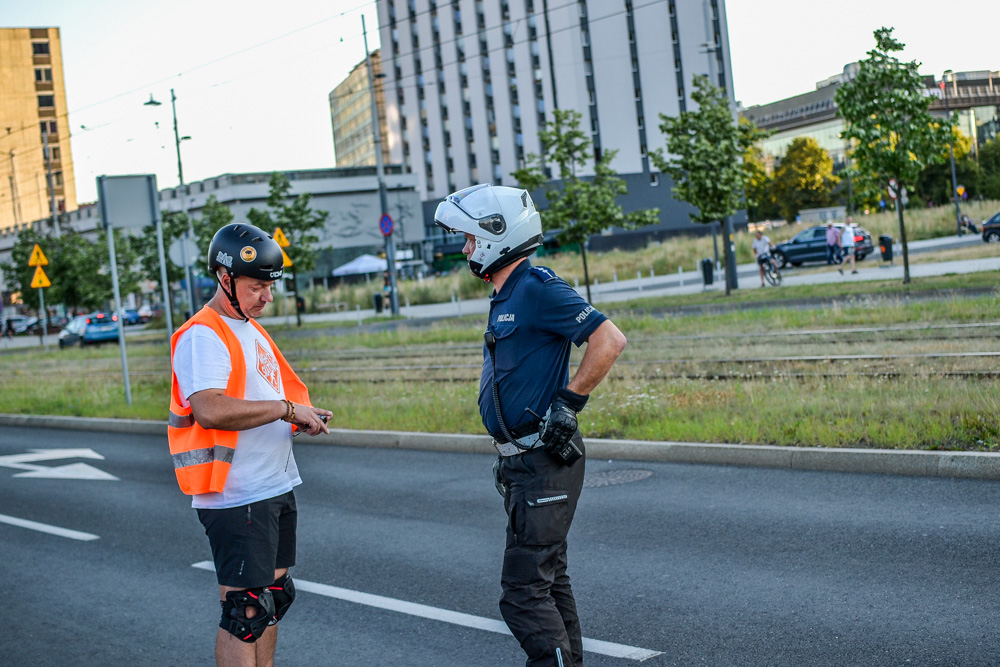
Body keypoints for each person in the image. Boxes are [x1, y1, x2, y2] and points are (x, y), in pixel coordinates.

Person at [434, 184, 626, 667]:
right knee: (549, 580)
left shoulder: (536, 287)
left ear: (497, 233)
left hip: (546, 459)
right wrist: (508, 451)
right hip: (525, 463)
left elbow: (608, 339)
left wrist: (570, 402)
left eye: (470, 239)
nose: (465, 250)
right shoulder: (507, 295)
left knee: (521, 593)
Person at [169, 222, 332, 666]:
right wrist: (285, 410)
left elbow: (263, 396)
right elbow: (211, 410)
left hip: (272, 485)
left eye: (270, 286)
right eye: (257, 286)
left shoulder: (250, 328)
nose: (267, 297)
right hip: (235, 494)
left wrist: (302, 415)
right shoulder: (205, 334)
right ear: (225, 279)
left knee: (273, 602)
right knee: (246, 612)